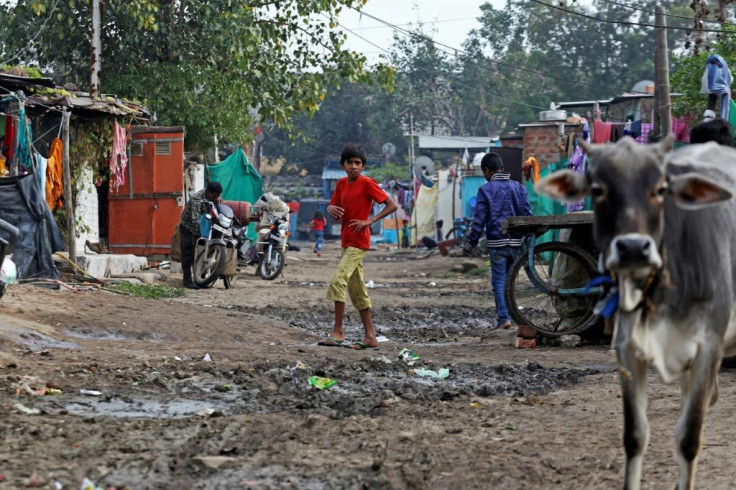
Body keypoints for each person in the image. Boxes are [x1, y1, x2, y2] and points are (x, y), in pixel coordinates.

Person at [319, 144, 398, 349]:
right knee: (357, 289)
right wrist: (329, 208)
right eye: (350, 163)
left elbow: (392, 205)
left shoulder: (367, 183)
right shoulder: (341, 184)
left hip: (359, 242)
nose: (353, 166)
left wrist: (370, 221)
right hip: (346, 241)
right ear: (343, 165)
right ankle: (370, 337)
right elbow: (333, 205)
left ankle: (338, 332)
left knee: (337, 281)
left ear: (362, 166)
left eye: (357, 163)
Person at [463, 153, 532, 330]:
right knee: (510, 280)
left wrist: (469, 245)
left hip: (497, 243)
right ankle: (511, 316)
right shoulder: (518, 187)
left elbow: (478, 222)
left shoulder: (486, 190)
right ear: (501, 168)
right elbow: (527, 215)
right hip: (516, 243)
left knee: (499, 280)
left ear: (487, 171)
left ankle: (504, 318)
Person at [178, 181, 223, 289]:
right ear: (210, 192)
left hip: (199, 227)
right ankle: (187, 281)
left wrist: (218, 203)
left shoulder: (210, 196)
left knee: (200, 253)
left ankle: (200, 280)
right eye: (215, 196)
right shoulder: (196, 200)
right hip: (187, 227)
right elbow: (194, 220)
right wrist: (203, 233)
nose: (217, 197)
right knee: (188, 254)